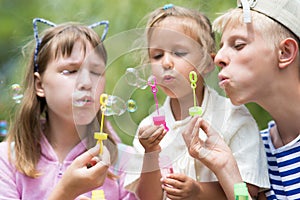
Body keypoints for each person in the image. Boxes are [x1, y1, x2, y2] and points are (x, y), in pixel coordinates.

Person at [124, 4, 269, 200]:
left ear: (208, 63)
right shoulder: (148, 129)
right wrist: (151, 152)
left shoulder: (233, 116)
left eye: (179, 52)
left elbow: (248, 190)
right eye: (157, 55)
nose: (166, 62)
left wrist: (198, 191)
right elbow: (147, 197)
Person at [0, 18, 137, 200]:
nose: (87, 83)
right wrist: (66, 192)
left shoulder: (125, 162)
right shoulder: (7, 159)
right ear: (39, 85)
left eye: (96, 72)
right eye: (70, 71)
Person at [183, 0, 300, 199]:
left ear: (285, 52)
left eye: (238, 45)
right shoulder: (255, 148)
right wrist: (226, 168)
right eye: (221, 47)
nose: (218, 57)